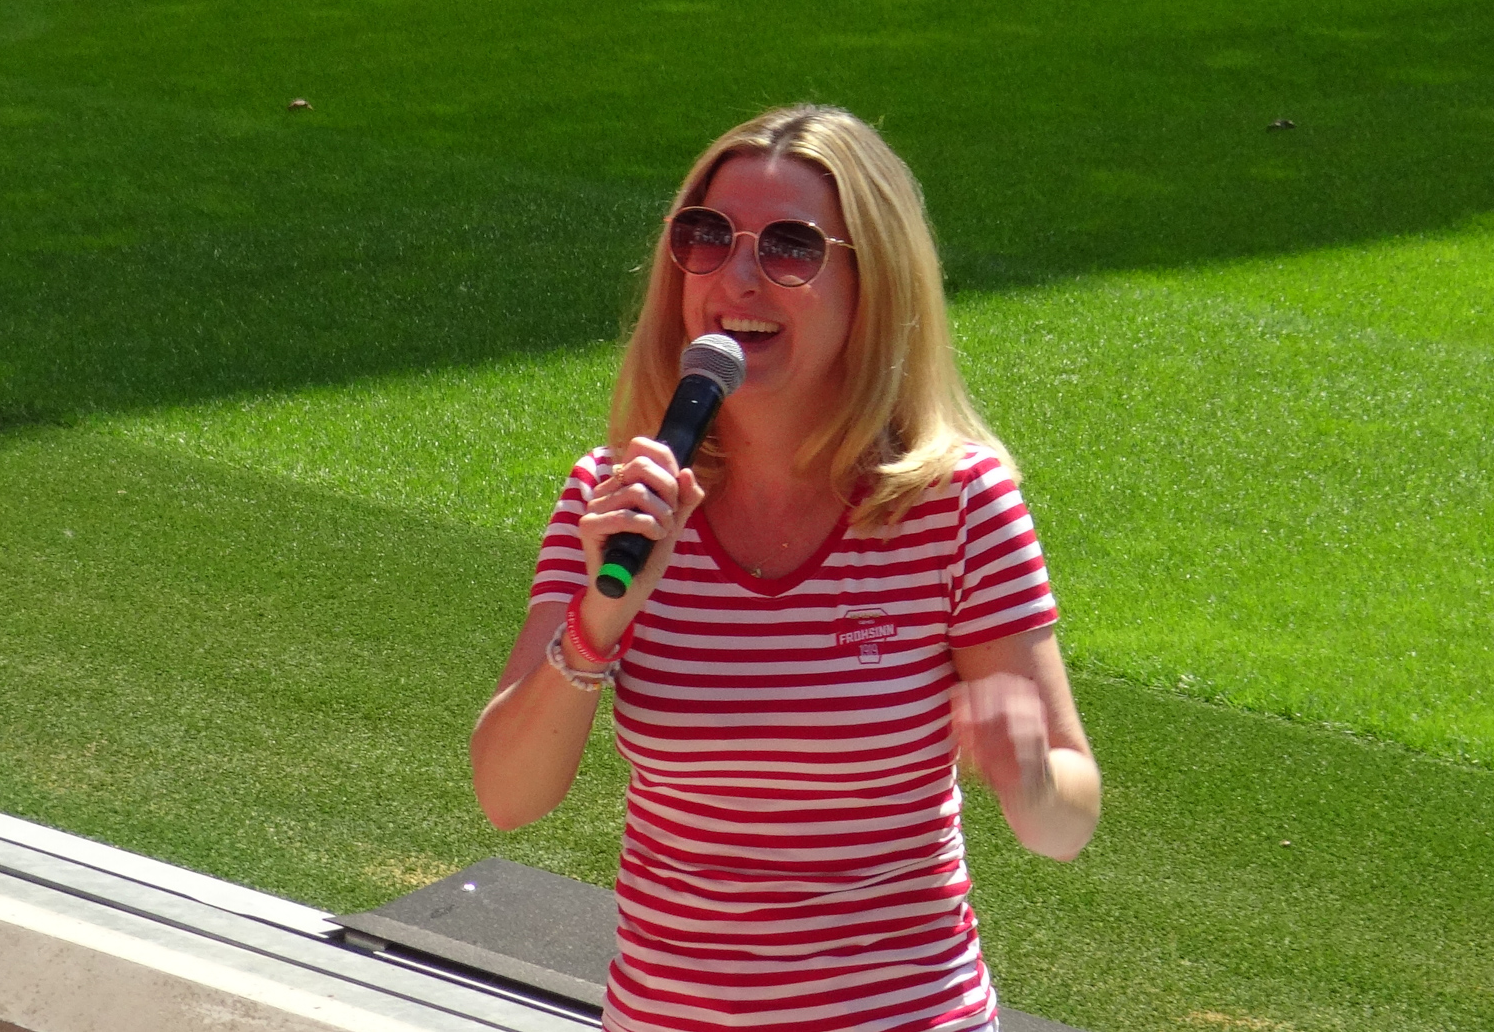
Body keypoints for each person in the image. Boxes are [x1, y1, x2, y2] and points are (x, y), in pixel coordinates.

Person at [471, 105, 1100, 1032]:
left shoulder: (955, 504)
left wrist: (1030, 775)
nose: (737, 278)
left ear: (873, 281)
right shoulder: (615, 500)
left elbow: (1066, 824)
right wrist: (598, 621)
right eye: (707, 236)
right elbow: (507, 795)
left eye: (791, 247)